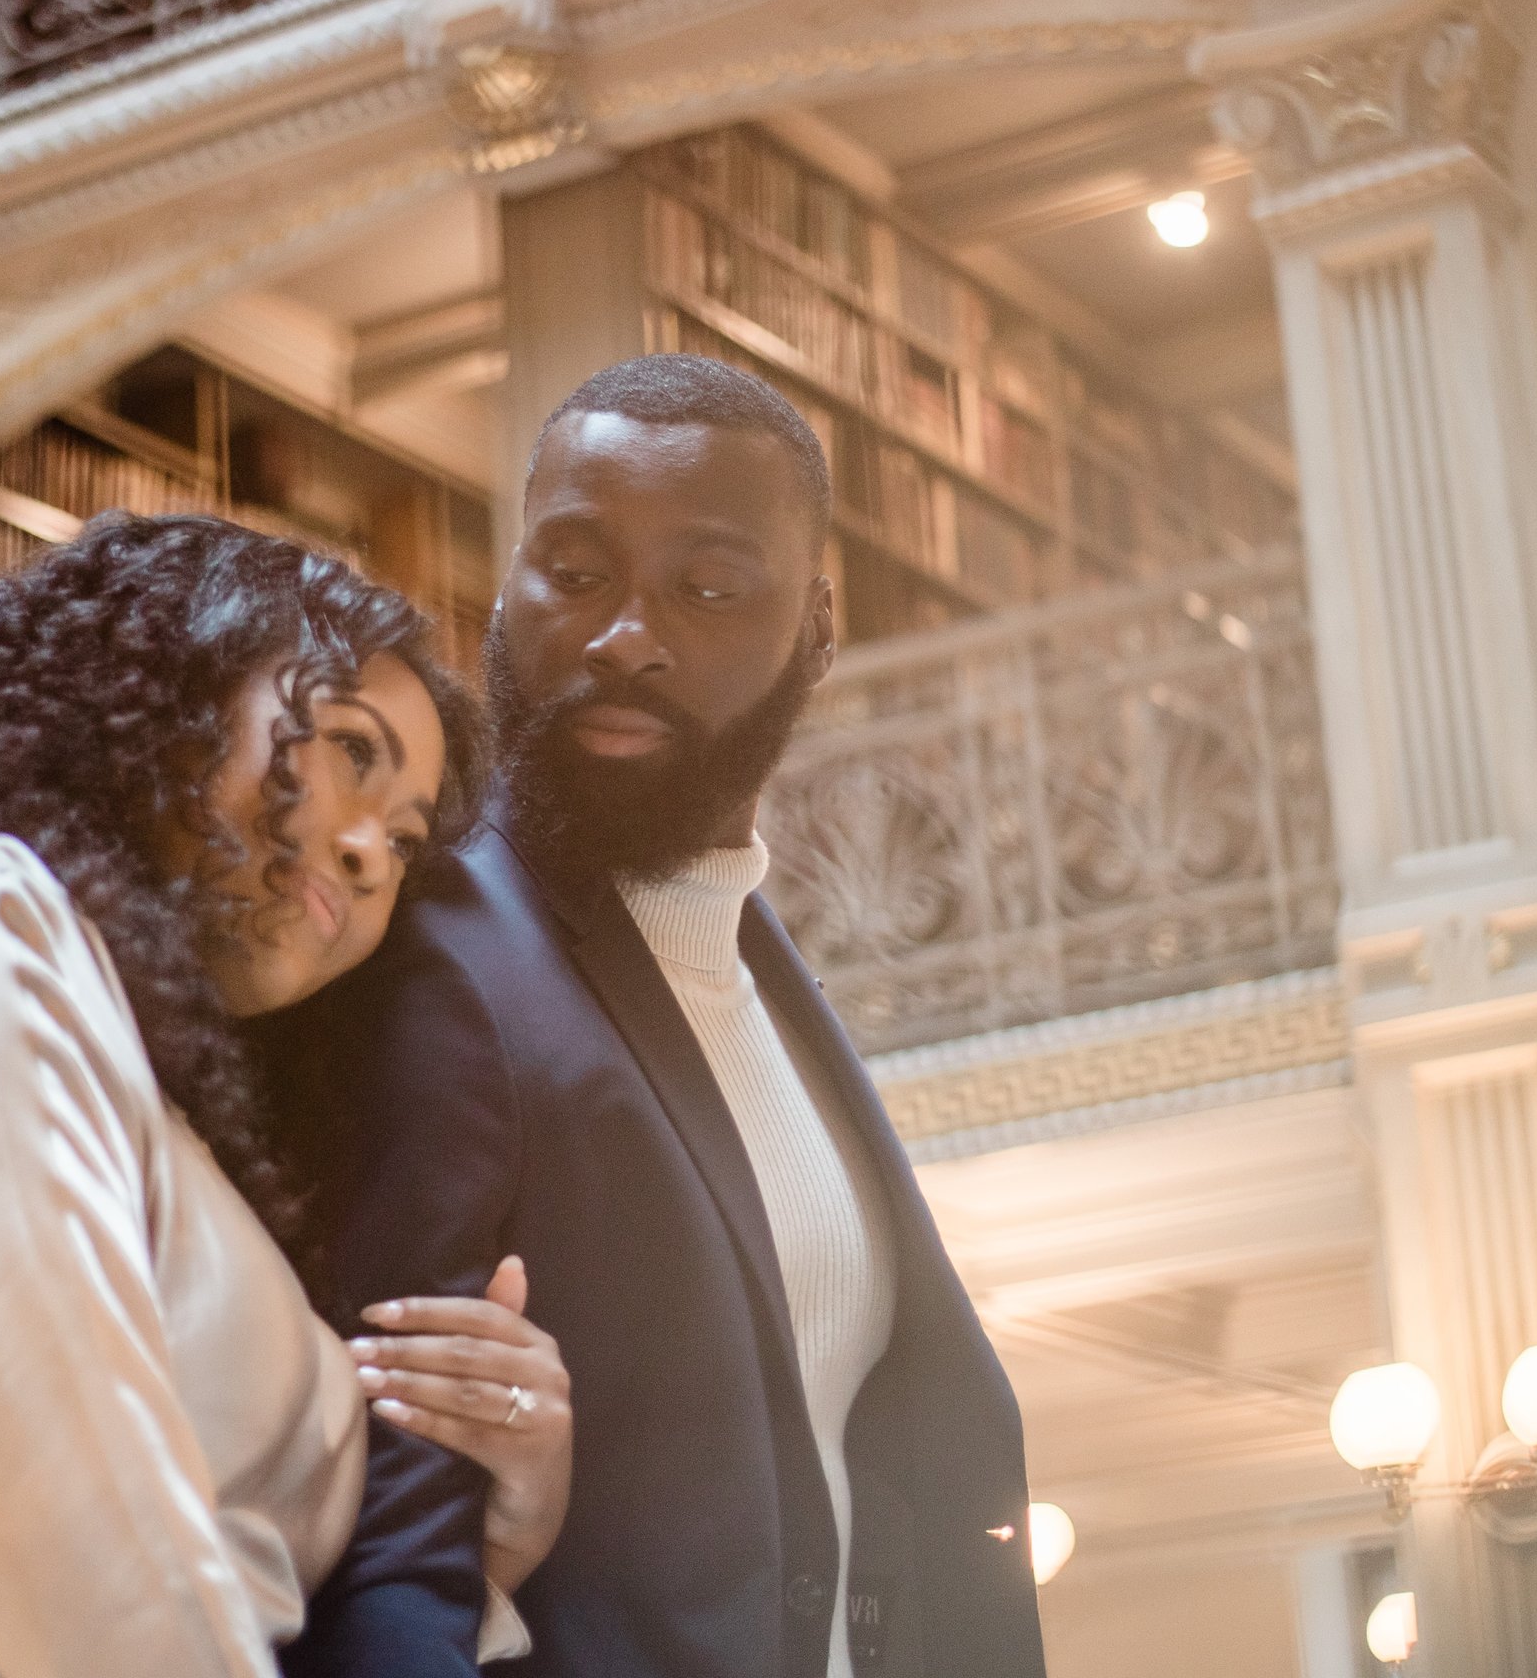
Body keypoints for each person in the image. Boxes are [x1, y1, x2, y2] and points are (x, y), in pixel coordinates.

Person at [0, 515, 575, 1676]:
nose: (369, 855)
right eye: (351, 750)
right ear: (166, 685)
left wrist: (489, 1521)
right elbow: (94, 1586)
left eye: (404, 842)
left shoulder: (150, 1106)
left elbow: (232, 1583)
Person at [274, 356, 1047, 1678]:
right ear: (509, 584)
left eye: (706, 587)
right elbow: (384, 1558)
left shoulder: (753, 962)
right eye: (574, 575)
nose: (625, 636)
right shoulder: (434, 956)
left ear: (815, 626)